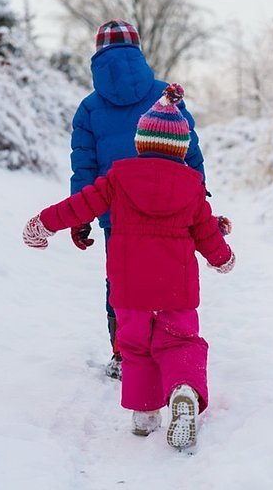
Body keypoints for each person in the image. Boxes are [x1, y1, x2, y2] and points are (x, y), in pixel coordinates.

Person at [23, 84, 235, 449]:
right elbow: (204, 233)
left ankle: (144, 414)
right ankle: (183, 390)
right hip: (176, 289)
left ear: (140, 142)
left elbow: (80, 205)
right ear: (182, 148)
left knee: (136, 347)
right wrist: (224, 257)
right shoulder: (192, 187)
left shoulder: (117, 178)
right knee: (180, 342)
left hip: (129, 288)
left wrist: (43, 223)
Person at [69, 20, 207, 380]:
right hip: (174, 212)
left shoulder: (89, 108)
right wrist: (199, 197)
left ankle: (124, 353)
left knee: (122, 281)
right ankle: (171, 347)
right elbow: (189, 150)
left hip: (118, 214)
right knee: (169, 278)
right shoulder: (167, 96)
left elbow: (84, 165)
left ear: (97, 55)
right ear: (138, 52)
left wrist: (80, 217)